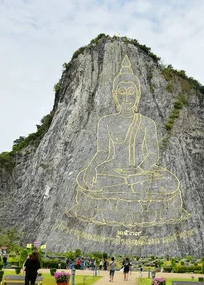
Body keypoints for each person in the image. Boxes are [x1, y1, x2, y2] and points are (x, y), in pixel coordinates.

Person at [67, 55, 190, 228]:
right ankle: (130, 198)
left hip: (140, 175)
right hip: (113, 174)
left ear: (138, 95)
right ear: (115, 95)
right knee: (87, 180)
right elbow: (103, 152)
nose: (127, 97)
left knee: (168, 182)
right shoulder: (106, 122)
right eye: (122, 92)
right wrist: (91, 168)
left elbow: (153, 153)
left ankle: (127, 198)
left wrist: (139, 169)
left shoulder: (147, 123)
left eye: (131, 92)